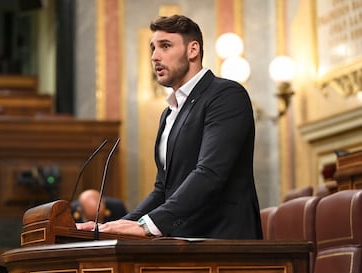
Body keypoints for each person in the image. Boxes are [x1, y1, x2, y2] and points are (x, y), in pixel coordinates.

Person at [77, 14, 263, 239]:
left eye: (165, 46)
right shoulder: (168, 113)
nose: (155, 57)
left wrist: (147, 225)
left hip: (224, 242)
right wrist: (114, 227)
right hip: (184, 243)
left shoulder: (225, 95)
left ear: (193, 50)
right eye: (152, 48)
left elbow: (211, 172)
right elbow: (163, 190)